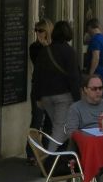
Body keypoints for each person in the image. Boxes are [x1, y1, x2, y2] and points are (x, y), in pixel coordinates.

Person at [30, 19, 80, 150]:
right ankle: (50, 162)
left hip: (45, 96)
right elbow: (74, 78)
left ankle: (64, 158)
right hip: (63, 96)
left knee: (59, 128)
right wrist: (78, 99)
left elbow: (37, 76)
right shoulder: (69, 52)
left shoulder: (45, 51)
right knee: (59, 130)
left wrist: (37, 97)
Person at [27, 19, 54, 160]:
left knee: (49, 121)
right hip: (39, 87)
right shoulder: (34, 47)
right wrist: (44, 47)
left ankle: (47, 152)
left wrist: (48, 47)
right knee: (37, 120)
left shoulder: (55, 47)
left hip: (52, 88)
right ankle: (32, 154)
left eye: (41, 30)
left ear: (48, 31)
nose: (38, 33)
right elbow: (39, 63)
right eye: (36, 30)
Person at [85, 18, 103, 88]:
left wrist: (90, 75)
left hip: (97, 76)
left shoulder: (95, 40)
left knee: (96, 97)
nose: (87, 32)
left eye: (88, 30)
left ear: (90, 27)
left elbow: (96, 58)